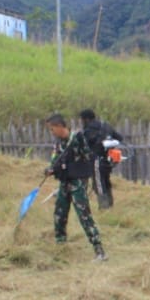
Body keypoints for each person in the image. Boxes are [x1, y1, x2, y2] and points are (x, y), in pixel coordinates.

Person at [44, 113, 107, 261]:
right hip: (64, 183)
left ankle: (99, 250)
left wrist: (80, 145)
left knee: (84, 216)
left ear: (60, 126)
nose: (52, 132)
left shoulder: (77, 138)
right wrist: (50, 169)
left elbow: (87, 156)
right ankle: (61, 247)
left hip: (77, 183)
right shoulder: (59, 143)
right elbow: (55, 160)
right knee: (59, 215)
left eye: (52, 129)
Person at [80, 109, 122, 209]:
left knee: (98, 183)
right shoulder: (105, 125)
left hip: (96, 160)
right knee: (106, 181)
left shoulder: (89, 129)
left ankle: (104, 208)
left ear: (86, 119)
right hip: (108, 159)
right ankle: (110, 205)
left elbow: (85, 144)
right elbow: (119, 138)